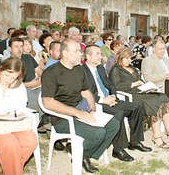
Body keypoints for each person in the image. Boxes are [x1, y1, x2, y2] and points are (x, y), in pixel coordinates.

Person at [41, 39, 120, 173]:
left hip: (81, 110)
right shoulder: (51, 72)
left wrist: (93, 109)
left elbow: (86, 91)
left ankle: (83, 154)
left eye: (81, 51)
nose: (81, 54)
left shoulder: (78, 69)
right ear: (65, 53)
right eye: (77, 51)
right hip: (62, 118)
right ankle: (81, 155)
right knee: (98, 133)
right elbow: (47, 102)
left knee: (114, 125)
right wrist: (77, 113)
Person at [81, 45, 151, 162]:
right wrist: (102, 100)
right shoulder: (81, 71)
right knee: (118, 112)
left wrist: (113, 95)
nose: (101, 56)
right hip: (96, 103)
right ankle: (118, 149)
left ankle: (135, 141)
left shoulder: (100, 68)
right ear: (88, 56)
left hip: (110, 99)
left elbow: (110, 84)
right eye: (97, 54)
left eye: (100, 53)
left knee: (137, 106)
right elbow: (83, 92)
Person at [109, 48, 169, 149]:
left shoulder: (132, 68)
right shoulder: (115, 69)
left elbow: (139, 81)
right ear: (120, 58)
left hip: (140, 92)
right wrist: (133, 84)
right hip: (129, 95)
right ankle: (157, 137)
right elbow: (116, 86)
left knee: (162, 97)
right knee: (155, 102)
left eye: (130, 58)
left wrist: (146, 86)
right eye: (126, 58)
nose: (129, 61)